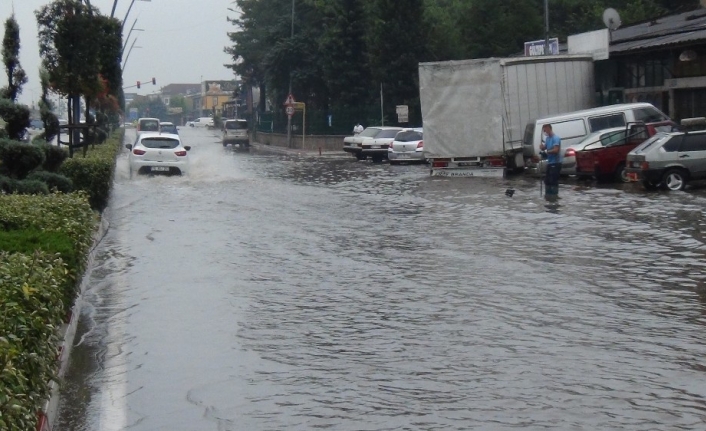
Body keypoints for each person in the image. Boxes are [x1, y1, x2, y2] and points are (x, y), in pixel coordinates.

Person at [539, 124, 561, 196]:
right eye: (544, 131)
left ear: (549, 129)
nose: (545, 132)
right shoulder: (547, 139)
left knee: (553, 181)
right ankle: (548, 196)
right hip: (550, 163)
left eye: (545, 130)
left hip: (556, 163)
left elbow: (556, 150)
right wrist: (542, 148)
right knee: (547, 181)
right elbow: (545, 147)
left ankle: (554, 196)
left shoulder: (556, 138)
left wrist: (547, 152)